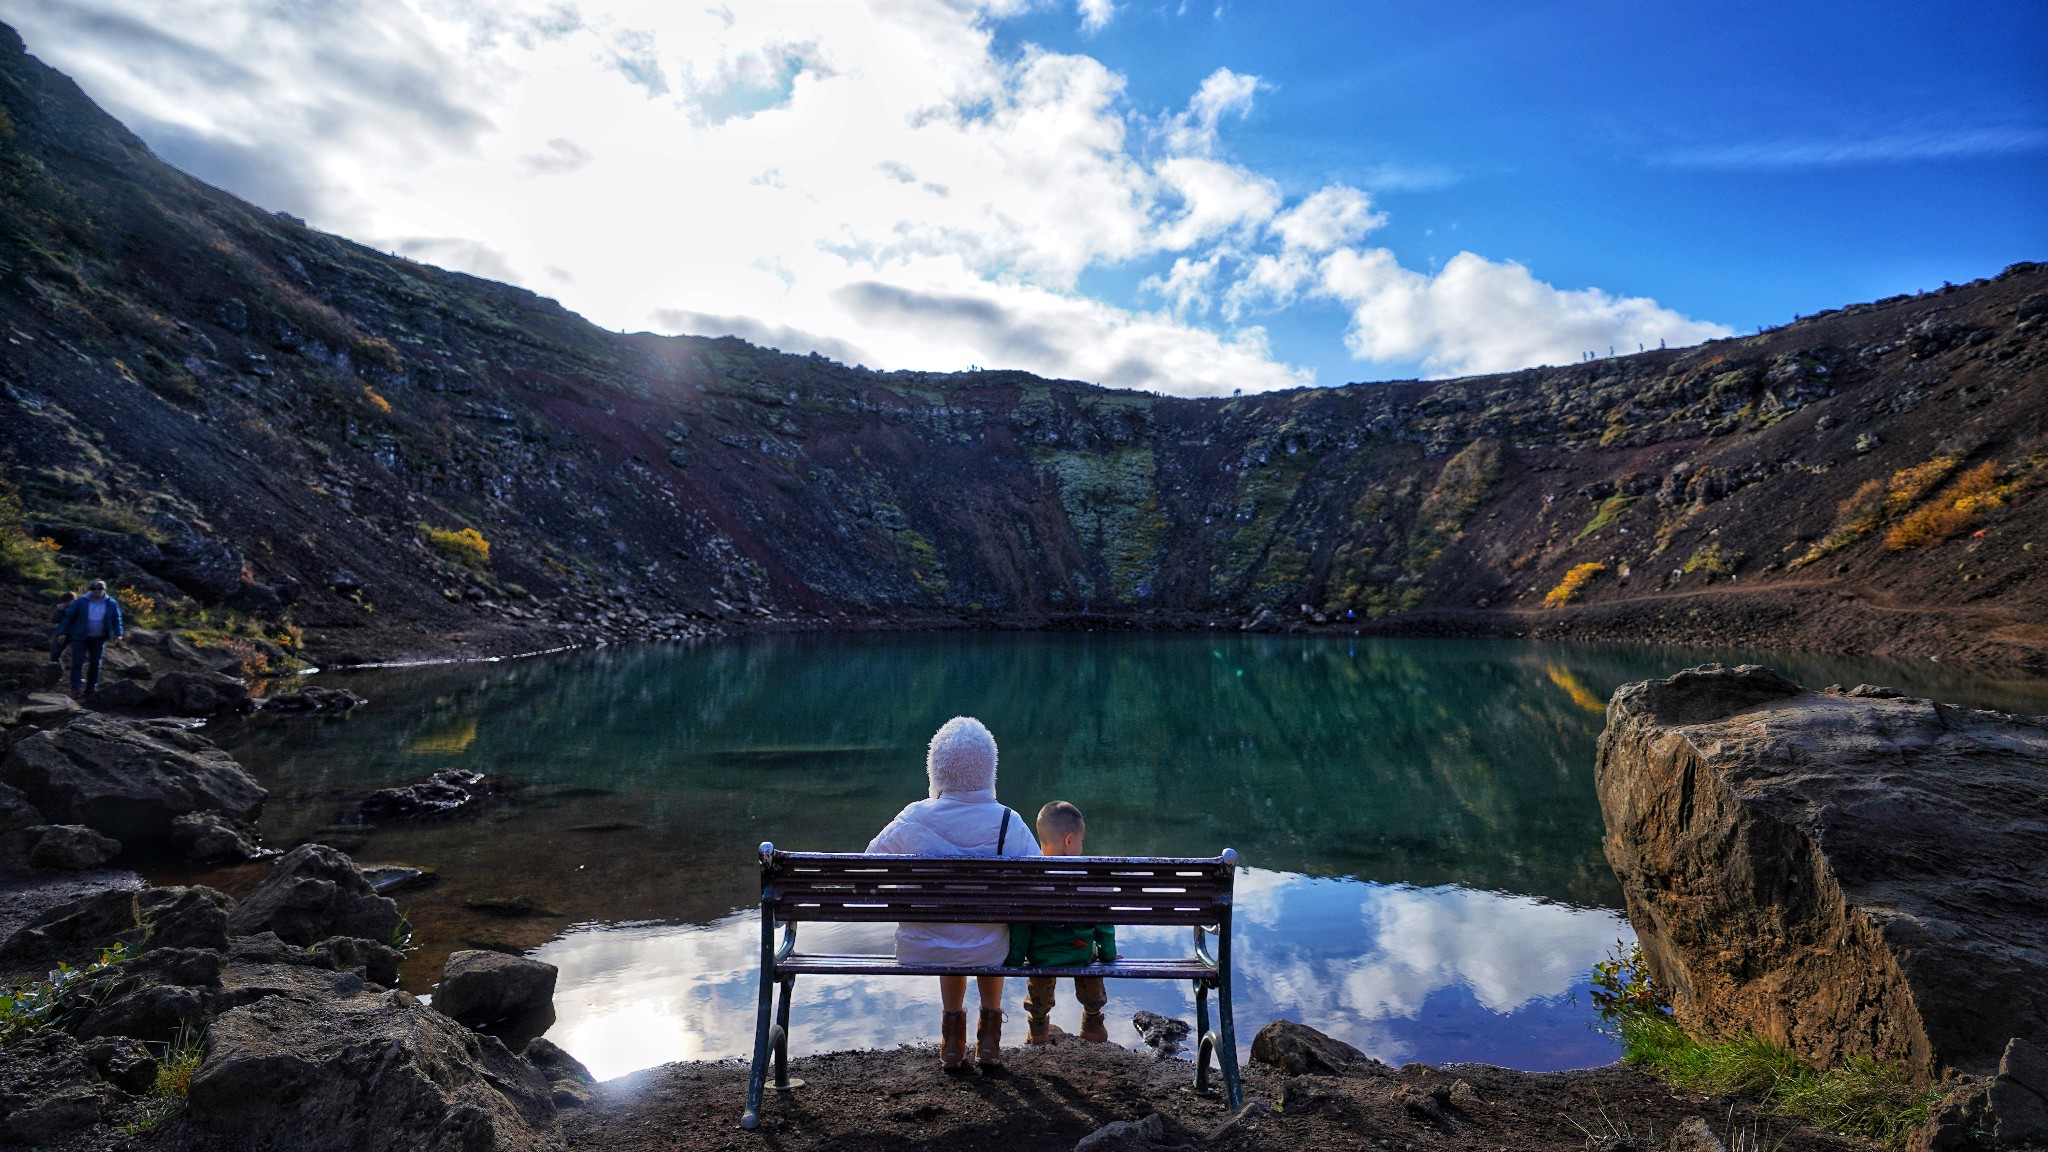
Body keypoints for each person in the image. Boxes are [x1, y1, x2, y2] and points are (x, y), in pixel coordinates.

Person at [866, 716, 1037, 1071]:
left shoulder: (913, 817)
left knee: (949, 923)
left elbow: (868, 866)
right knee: (987, 930)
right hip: (990, 948)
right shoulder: (1008, 821)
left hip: (923, 947)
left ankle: (952, 1038)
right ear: (989, 770)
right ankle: (989, 1038)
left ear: (937, 769)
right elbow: (1042, 883)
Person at [1007, 801, 1117, 1045]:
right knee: (1092, 955)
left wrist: (1014, 960)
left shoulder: (1031, 878)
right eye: (1081, 840)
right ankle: (1092, 1021)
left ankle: (1037, 1028)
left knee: (1041, 960)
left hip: (1041, 956)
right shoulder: (1088, 876)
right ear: (1069, 840)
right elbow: (1103, 925)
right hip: (1080, 953)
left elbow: (1022, 926)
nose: (1081, 846)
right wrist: (1108, 954)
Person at [56, 580, 124, 696]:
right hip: (80, 637)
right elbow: (69, 617)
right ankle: (75, 688)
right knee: (77, 662)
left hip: (99, 637)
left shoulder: (111, 603)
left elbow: (116, 619)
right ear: (90, 590)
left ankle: (91, 688)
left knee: (95, 663)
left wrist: (118, 634)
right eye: (94, 589)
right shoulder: (81, 601)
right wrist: (62, 632)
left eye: (100, 588)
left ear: (104, 590)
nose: (97, 591)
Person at [47, 591, 76, 663]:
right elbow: (55, 620)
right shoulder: (63, 609)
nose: (66, 603)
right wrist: (60, 610)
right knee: (55, 651)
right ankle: (56, 667)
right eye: (65, 602)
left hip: (76, 633)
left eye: (68, 601)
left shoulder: (79, 608)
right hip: (63, 632)